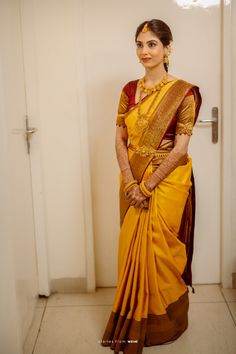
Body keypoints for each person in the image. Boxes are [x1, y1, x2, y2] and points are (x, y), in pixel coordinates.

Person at [101, 19, 202, 354]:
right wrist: (131, 181)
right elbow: (119, 140)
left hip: (167, 182)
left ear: (167, 48)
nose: (144, 51)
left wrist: (148, 186)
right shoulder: (129, 90)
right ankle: (133, 314)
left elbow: (180, 148)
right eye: (140, 44)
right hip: (131, 180)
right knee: (132, 247)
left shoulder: (184, 93)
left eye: (152, 44)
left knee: (161, 251)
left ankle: (164, 323)